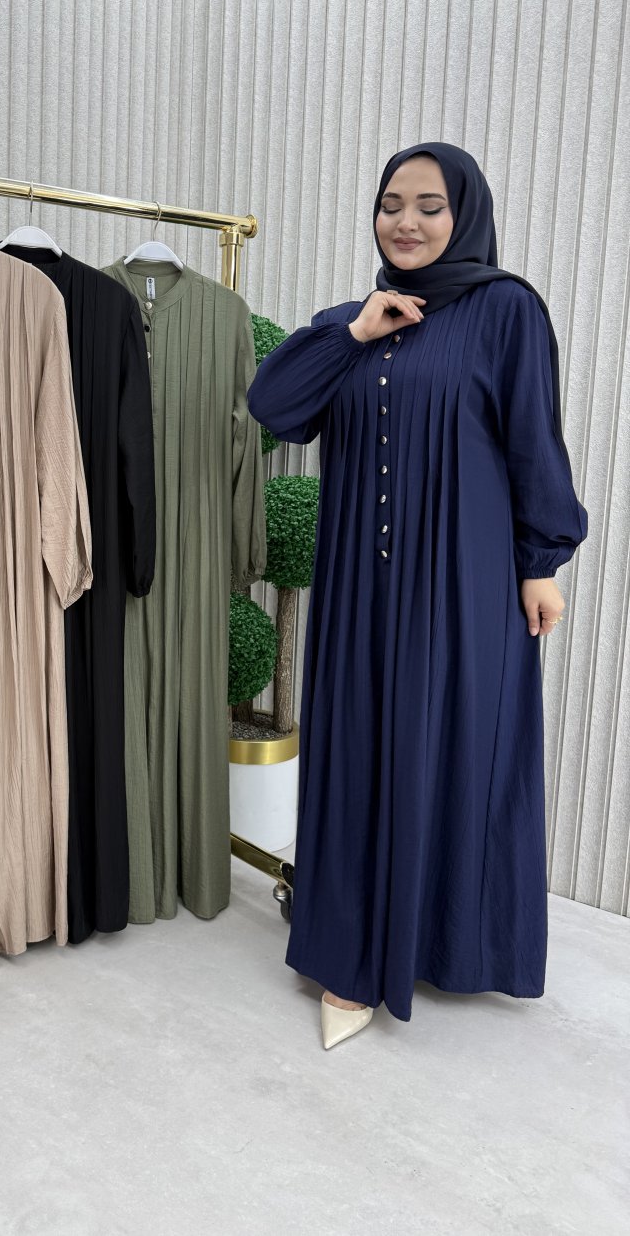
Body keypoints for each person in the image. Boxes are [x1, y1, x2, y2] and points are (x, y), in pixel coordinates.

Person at [247, 143, 588, 1050]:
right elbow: (272, 405)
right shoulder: (351, 320)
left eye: (429, 206)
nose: (406, 221)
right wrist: (355, 334)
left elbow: (533, 438)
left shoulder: (506, 310)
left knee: (452, 750)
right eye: (391, 203)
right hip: (358, 590)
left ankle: (442, 940)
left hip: (464, 585)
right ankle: (351, 953)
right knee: (359, 748)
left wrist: (541, 561)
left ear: (463, 213)